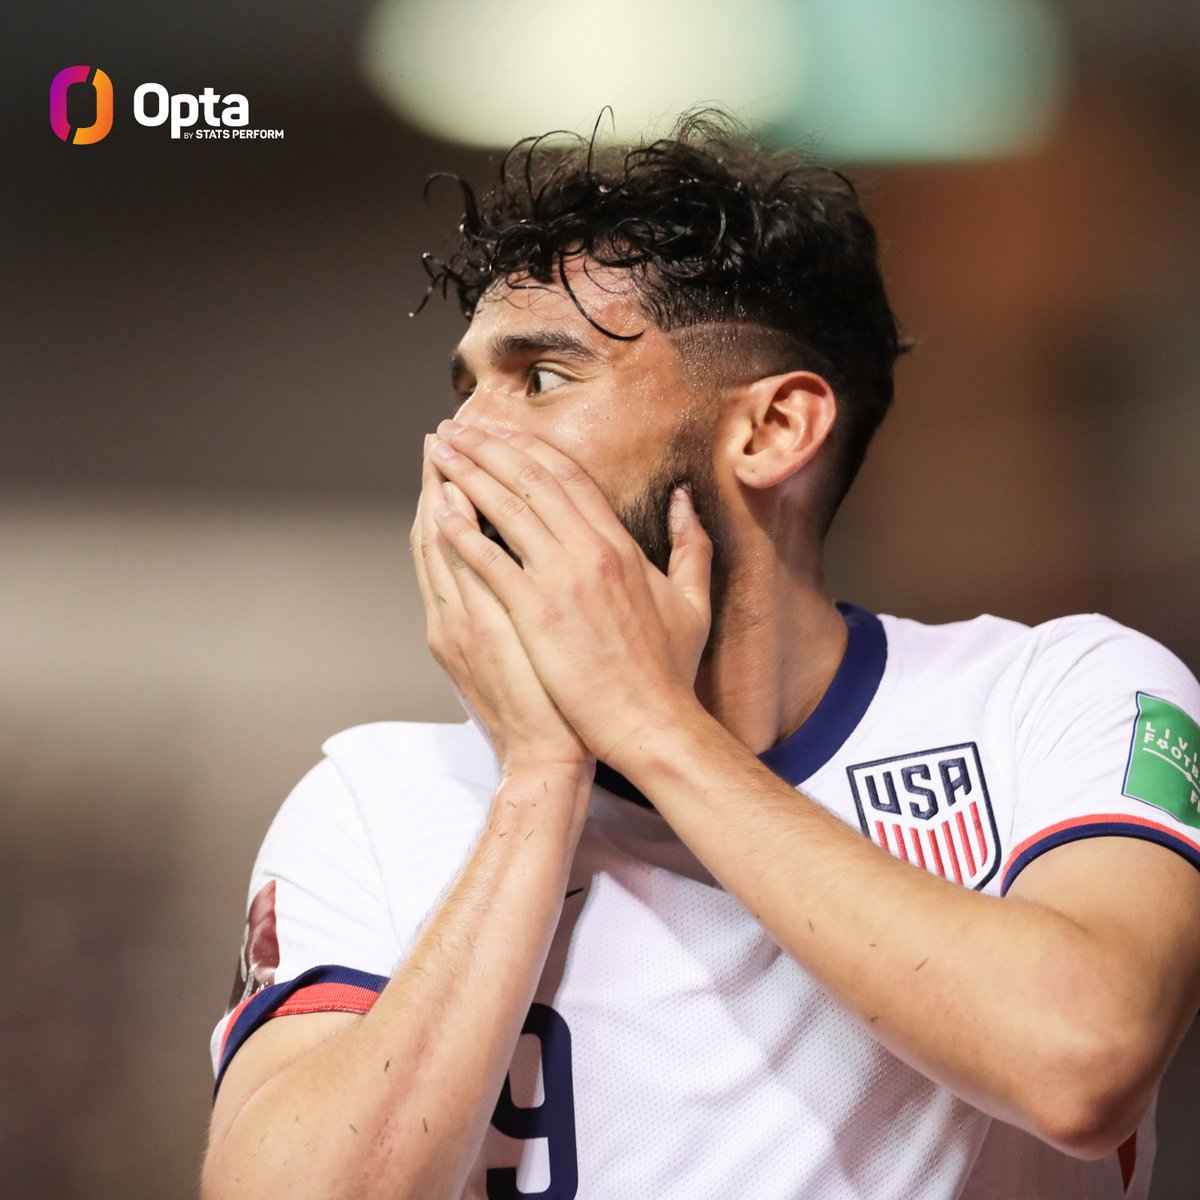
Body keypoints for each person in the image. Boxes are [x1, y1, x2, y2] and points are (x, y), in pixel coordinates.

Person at [200, 111, 1200, 1200]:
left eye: (541, 378)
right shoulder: (373, 797)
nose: (457, 445)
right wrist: (541, 778)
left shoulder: (1057, 697)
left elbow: (1085, 1060)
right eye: (465, 388)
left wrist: (654, 728)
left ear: (771, 432)